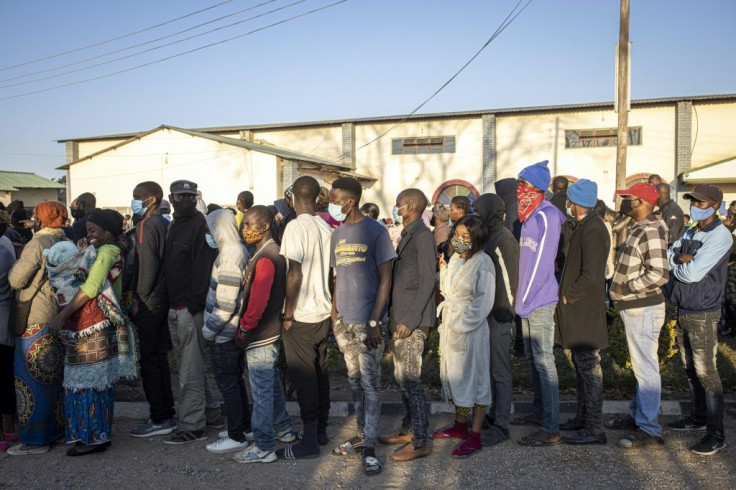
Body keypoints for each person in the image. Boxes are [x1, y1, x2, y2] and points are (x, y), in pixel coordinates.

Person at [48, 209, 138, 456]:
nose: (89, 236)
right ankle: (89, 435)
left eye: (93, 231)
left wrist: (62, 316)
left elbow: (92, 286)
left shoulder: (108, 252)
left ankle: (95, 437)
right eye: (87, 231)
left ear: (108, 231)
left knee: (91, 383)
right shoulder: (100, 250)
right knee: (84, 382)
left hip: (92, 325)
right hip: (88, 326)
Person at [329, 177, 396, 476]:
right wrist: (334, 314)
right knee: (355, 382)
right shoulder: (337, 234)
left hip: (368, 323)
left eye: (333, 198)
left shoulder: (376, 231)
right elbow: (337, 278)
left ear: (350, 201)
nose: (329, 203)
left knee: (371, 384)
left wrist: (373, 322)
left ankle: (369, 449)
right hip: (344, 322)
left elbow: (386, 280)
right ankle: (361, 436)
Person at [664, 184, 731, 455]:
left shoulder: (721, 236)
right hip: (684, 307)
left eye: (702, 203)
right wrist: (681, 258)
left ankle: (716, 434)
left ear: (715, 206)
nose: (695, 206)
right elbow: (668, 255)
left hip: (703, 310)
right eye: (694, 201)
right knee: (690, 370)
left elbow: (692, 274)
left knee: (706, 373)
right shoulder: (692, 230)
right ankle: (698, 417)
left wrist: (680, 262)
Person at [607, 183, 669, 449]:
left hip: (643, 306)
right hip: (635, 306)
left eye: (628, 199)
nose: (623, 203)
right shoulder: (641, 226)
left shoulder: (652, 230)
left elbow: (659, 273)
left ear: (641, 202)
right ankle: (639, 415)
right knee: (642, 366)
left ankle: (649, 428)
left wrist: (624, 288)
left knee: (646, 368)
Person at [232, 206, 295, 463]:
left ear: (266, 225)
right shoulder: (267, 252)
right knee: (271, 385)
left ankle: (264, 446)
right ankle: (284, 429)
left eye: (250, 224)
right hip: (267, 333)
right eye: (244, 223)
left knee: (261, 393)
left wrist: (245, 328)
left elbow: (257, 301)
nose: (246, 229)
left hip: (259, 334)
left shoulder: (267, 257)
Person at [277, 176, 334, 460]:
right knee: (320, 374)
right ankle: (320, 430)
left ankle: (309, 439)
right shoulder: (325, 226)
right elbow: (332, 274)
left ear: (293, 197)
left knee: (304, 378)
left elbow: (294, 273)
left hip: (301, 314)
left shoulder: (295, 227)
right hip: (323, 311)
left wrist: (288, 314)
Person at [161, 180, 221, 445]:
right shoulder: (174, 225)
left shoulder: (200, 225)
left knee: (189, 372)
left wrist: (192, 306)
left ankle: (192, 425)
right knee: (190, 366)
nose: (185, 199)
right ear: (171, 198)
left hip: (188, 309)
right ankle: (213, 414)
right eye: (180, 196)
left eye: (190, 195)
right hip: (175, 307)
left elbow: (203, 268)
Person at [378, 189, 435, 462]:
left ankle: (421, 441)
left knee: (411, 381)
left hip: (413, 322)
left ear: (411, 206)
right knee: (402, 380)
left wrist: (409, 321)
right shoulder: (410, 233)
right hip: (402, 319)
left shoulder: (422, 236)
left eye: (398, 204)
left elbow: (427, 281)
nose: (396, 208)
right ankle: (409, 430)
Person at [512, 160, 566, 448]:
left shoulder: (547, 215)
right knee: (533, 360)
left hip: (539, 300)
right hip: (525, 299)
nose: (519, 189)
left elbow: (543, 265)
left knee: (545, 362)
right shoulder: (528, 215)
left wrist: (527, 299)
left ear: (537, 188)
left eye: (523, 184)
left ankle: (551, 426)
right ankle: (538, 412)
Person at [6, 202, 67, 456]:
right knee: (52, 377)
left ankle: (35, 440)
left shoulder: (37, 244)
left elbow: (16, 279)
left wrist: (13, 265)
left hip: (35, 317)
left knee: (31, 380)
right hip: (57, 314)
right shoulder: (64, 241)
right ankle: (55, 430)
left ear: (39, 218)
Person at [433, 215, 494, 458]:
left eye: (465, 237)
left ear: (477, 237)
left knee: (476, 379)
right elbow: (447, 290)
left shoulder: (484, 262)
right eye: (457, 236)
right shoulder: (457, 258)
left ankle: (475, 435)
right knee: (456, 376)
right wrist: (444, 270)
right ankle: (459, 426)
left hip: (471, 328)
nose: (459, 240)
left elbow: (484, 301)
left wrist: (461, 323)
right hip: (451, 324)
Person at [554, 180, 610, 445]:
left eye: (569, 201)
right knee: (581, 367)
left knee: (589, 369)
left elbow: (591, 273)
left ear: (575, 203)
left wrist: (568, 295)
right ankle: (582, 418)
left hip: (584, 310)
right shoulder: (584, 226)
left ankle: (594, 428)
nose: (567, 204)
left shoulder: (593, 230)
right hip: (578, 310)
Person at [200, 209, 253, 454]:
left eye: (210, 228)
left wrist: (208, 332)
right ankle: (243, 425)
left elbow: (226, 303)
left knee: (228, 384)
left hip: (224, 332)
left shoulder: (230, 255)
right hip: (231, 331)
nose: (208, 234)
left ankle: (236, 435)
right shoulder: (236, 250)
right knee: (235, 381)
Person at [128, 182, 177, 438]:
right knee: (159, 359)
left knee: (150, 361)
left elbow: (147, 267)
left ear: (153, 199)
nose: (135, 201)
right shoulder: (164, 223)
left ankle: (159, 417)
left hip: (150, 301)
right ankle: (167, 412)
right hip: (163, 298)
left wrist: (139, 298)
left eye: (139, 197)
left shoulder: (147, 225)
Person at [473, 193, 519, 447]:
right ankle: (492, 414)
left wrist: (507, 310)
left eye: (480, 211)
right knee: (489, 370)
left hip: (500, 314)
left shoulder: (503, 240)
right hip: (487, 313)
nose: (476, 215)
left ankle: (502, 424)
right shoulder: (488, 236)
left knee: (500, 372)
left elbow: (512, 279)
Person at [0, 211, 17, 452]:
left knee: (2, 378)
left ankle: (7, 431)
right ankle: (10, 428)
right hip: (4, 319)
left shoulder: (2, 247)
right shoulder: (5, 241)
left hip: (2, 320)